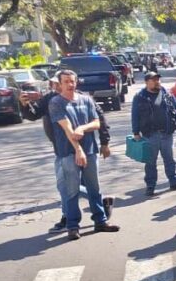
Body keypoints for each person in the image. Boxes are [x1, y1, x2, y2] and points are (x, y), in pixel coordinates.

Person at [23, 78, 113, 232]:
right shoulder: (52, 100)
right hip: (63, 150)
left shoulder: (84, 99)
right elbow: (33, 115)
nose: (59, 86)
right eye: (57, 83)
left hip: (88, 150)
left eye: (69, 82)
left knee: (90, 186)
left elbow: (99, 119)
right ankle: (70, 221)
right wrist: (25, 105)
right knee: (66, 186)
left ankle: (98, 217)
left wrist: (104, 142)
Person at [49, 70, 120, 241]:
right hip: (68, 152)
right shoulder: (56, 102)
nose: (70, 84)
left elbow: (96, 122)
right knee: (71, 191)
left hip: (90, 150)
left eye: (72, 81)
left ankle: (100, 221)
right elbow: (67, 129)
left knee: (94, 188)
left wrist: (83, 128)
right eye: (66, 81)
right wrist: (78, 150)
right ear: (60, 84)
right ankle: (73, 226)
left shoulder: (86, 99)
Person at [131, 71, 176, 196]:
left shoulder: (167, 94)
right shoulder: (140, 97)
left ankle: (174, 182)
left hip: (166, 133)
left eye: (158, 79)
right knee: (150, 162)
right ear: (147, 82)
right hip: (150, 135)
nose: (157, 81)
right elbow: (135, 115)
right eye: (153, 79)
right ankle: (150, 186)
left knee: (170, 160)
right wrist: (135, 132)